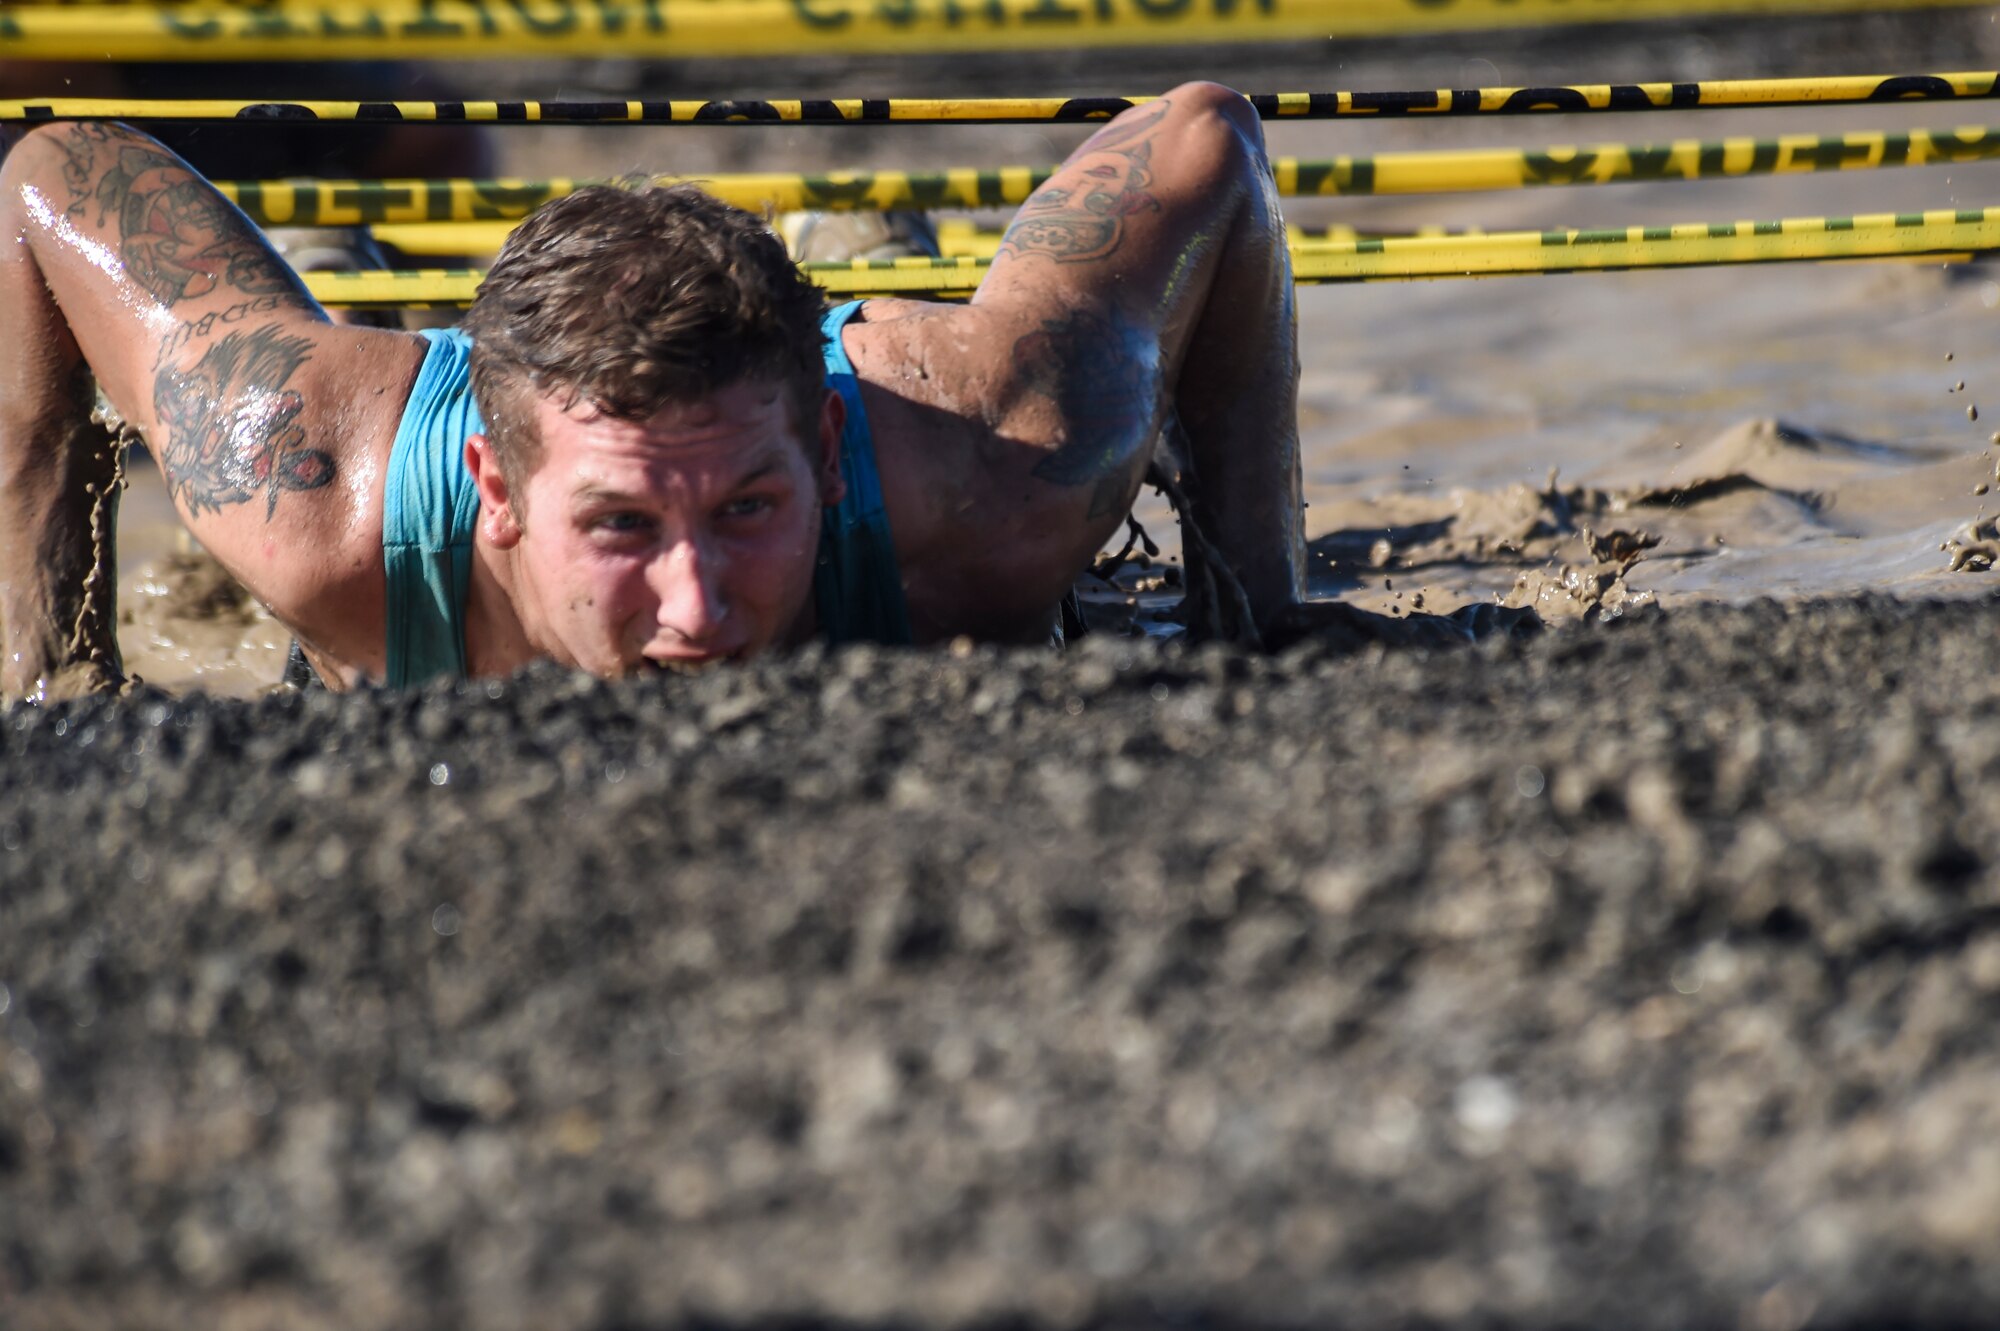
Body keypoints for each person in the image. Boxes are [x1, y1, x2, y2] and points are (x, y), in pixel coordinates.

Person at [0, 83, 1507, 700]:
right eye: (622, 533)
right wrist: (52, 673)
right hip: (429, 384)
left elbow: (1206, 144)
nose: (703, 607)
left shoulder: (1003, 464)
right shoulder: (303, 491)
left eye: (749, 513)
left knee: (901, 299)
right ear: (499, 500)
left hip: (868, 367)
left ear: (829, 454)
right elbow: (49, 174)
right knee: (320, 270)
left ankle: (858, 270)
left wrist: (1255, 596)